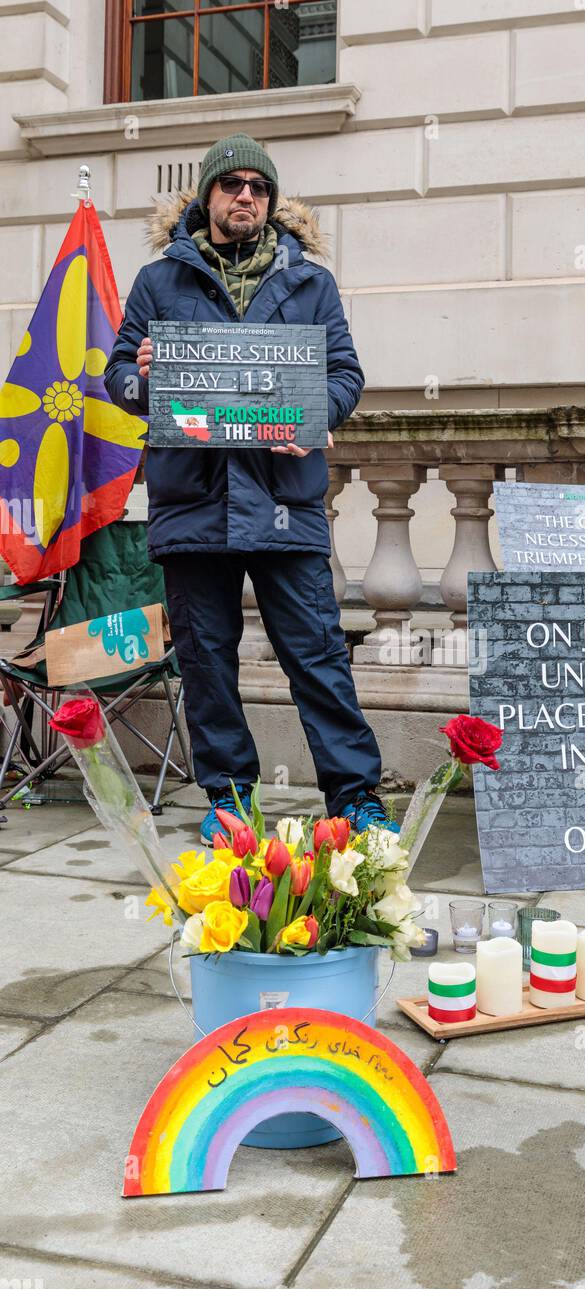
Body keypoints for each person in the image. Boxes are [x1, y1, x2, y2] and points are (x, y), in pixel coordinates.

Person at [106, 133, 397, 845]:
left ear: (271, 201)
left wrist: (318, 413)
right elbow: (117, 376)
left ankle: (354, 797)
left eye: (258, 188)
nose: (246, 196)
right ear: (206, 195)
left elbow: (345, 375)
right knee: (206, 663)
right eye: (231, 184)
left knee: (318, 655)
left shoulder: (311, 284)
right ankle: (230, 801)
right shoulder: (157, 281)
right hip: (193, 503)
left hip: (284, 502)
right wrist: (142, 377)